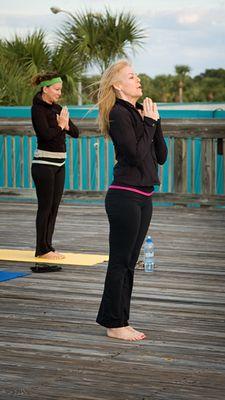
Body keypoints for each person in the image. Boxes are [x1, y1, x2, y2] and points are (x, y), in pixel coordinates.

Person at [96, 60, 167, 341]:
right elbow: (135, 155)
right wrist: (148, 123)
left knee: (130, 261)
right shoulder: (118, 114)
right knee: (120, 261)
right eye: (131, 76)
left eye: (136, 74)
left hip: (144, 196)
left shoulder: (139, 114)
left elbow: (160, 155)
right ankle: (114, 323)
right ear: (117, 85)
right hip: (124, 196)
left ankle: (120, 320)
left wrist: (156, 122)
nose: (138, 79)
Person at [31, 71, 79, 271]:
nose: (60, 93)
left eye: (61, 89)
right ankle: (41, 249)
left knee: (54, 207)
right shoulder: (37, 110)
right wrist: (60, 126)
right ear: (46, 89)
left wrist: (66, 125)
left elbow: (76, 133)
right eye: (57, 90)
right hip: (44, 165)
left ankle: (48, 246)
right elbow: (45, 135)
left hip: (59, 164)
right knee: (45, 207)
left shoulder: (58, 108)